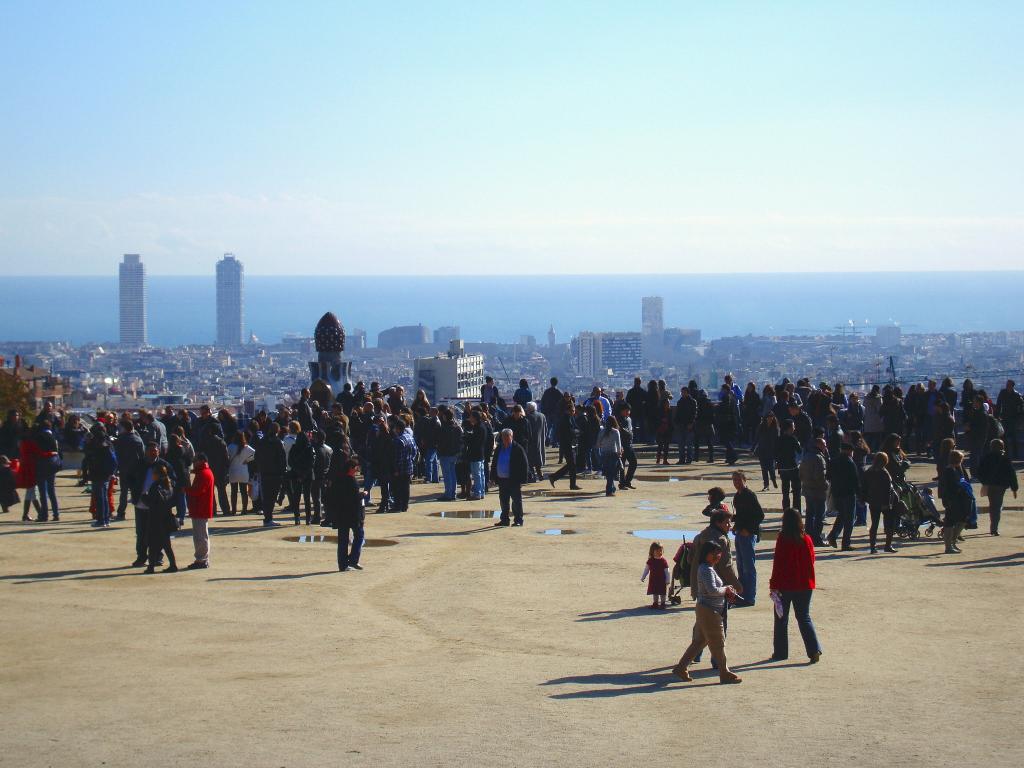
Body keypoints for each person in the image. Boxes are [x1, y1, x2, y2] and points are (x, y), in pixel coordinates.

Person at [672, 540, 742, 684]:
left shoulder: (707, 567)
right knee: (718, 643)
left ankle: (681, 667)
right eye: (714, 553)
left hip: (706, 609)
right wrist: (726, 589)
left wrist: (725, 588)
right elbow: (713, 590)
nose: (717, 555)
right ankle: (724, 672)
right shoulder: (706, 569)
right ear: (706, 554)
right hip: (710, 611)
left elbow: (713, 589)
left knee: (699, 642)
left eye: (718, 552)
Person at [768, 508, 822, 663]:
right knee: (804, 617)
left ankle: (781, 652)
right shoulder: (807, 539)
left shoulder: (782, 539)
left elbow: (778, 564)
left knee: (781, 619)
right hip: (805, 585)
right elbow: (812, 560)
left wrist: (773, 584)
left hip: (785, 585)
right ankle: (814, 650)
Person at [732, 471, 764, 606]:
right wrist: (735, 525)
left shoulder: (750, 495)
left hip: (748, 535)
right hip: (739, 534)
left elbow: (759, 515)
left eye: (738, 480)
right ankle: (742, 594)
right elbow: (740, 516)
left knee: (748, 568)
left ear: (745, 480)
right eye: (734, 480)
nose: (736, 483)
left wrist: (748, 530)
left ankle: (750, 597)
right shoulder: (736, 497)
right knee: (740, 566)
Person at [328, 457, 366, 571]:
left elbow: (332, 496)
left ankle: (343, 564)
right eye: (355, 468)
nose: (357, 470)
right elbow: (354, 498)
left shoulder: (338, 479)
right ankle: (353, 559)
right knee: (359, 536)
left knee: (343, 540)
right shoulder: (351, 480)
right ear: (351, 468)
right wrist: (363, 494)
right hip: (352, 514)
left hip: (340, 514)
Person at [977, 439, 1018, 536]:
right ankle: (994, 528)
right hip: (1001, 485)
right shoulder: (1005, 459)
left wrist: (984, 482)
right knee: (997, 506)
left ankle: (993, 526)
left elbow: (979, 472)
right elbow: (1011, 474)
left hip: (990, 485)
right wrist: (1014, 488)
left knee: (992, 505)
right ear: (1002, 447)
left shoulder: (986, 457)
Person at [142, 465, 178, 574]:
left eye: (154, 473)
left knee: (152, 544)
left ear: (158, 474)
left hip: (155, 518)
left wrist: (144, 497)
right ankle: (173, 565)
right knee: (166, 544)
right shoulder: (170, 484)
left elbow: (152, 503)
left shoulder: (156, 486)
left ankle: (151, 566)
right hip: (166, 517)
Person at [490, 428, 528, 527]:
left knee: (516, 501)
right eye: (503, 437)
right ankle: (504, 520)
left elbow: (524, 464)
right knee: (503, 501)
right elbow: (494, 463)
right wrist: (493, 476)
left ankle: (518, 520)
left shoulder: (517, 448)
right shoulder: (499, 448)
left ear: (512, 437)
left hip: (514, 480)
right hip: (502, 479)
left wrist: (523, 479)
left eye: (507, 437)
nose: (505, 439)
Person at [826, 443, 861, 551]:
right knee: (849, 519)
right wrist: (860, 494)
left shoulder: (833, 461)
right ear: (850, 451)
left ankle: (833, 535)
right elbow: (855, 480)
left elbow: (828, 476)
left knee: (841, 515)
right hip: (848, 493)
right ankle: (845, 543)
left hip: (837, 493)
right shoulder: (850, 463)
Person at [862, 452, 898, 554]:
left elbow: (864, 487)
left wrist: (865, 499)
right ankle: (888, 545)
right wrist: (888, 503)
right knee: (889, 524)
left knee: (874, 524)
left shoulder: (868, 471)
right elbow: (887, 490)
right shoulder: (884, 472)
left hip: (873, 501)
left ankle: (873, 546)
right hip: (885, 502)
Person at [938, 450, 971, 554]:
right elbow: (951, 487)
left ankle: (952, 542)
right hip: (952, 500)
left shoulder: (955, 469)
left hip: (958, 499)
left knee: (962, 520)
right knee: (950, 522)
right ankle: (949, 546)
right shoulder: (949, 470)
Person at [185, 454, 215, 569]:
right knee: (201, 535)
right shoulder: (204, 472)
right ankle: (202, 559)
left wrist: (185, 489)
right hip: (200, 508)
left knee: (200, 536)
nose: (194, 462)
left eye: (195, 461)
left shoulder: (204, 474)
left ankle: (202, 560)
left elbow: (197, 491)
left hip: (200, 508)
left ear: (201, 461)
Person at [799, 438, 829, 546]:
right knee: (819, 516)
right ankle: (816, 539)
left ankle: (808, 537)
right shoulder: (819, 458)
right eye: (824, 445)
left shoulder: (806, 456)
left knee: (810, 514)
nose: (826, 447)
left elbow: (800, 473)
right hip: (818, 491)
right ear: (819, 445)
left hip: (807, 490)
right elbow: (819, 476)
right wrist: (826, 486)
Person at [256, 422, 286, 527]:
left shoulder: (262, 441)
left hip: (264, 472)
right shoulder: (278, 442)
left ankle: (267, 518)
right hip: (275, 473)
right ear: (277, 431)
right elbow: (282, 459)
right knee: (272, 497)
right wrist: (283, 472)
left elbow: (257, 456)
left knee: (266, 496)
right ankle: (269, 519)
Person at [549, 401, 581, 490]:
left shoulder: (567, 418)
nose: (574, 412)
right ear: (568, 411)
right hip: (567, 444)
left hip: (567, 444)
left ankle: (558, 478)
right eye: (573, 410)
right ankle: (556, 478)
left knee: (571, 465)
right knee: (572, 465)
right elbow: (570, 432)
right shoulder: (566, 419)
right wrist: (577, 433)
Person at [436, 406, 463, 501]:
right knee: (452, 474)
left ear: (445, 417)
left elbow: (440, 441)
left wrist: (439, 451)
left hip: (445, 454)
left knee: (447, 475)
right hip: (454, 454)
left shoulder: (444, 428)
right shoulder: (457, 427)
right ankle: (453, 493)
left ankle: (448, 493)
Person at [391, 415, 416, 512]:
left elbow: (398, 457)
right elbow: (415, 451)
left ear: (397, 429)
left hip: (400, 468)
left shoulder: (398, 440)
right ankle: (405, 506)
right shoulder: (410, 437)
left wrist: (396, 469)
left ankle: (397, 506)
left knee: (397, 488)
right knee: (406, 488)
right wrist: (411, 460)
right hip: (409, 466)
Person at [227, 432, 255, 515]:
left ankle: (234, 510)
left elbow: (227, 456)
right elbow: (256, 453)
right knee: (243, 492)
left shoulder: (230, 446)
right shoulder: (246, 447)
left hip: (233, 471)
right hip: (243, 471)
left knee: (233, 492)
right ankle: (244, 510)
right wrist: (247, 460)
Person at [777, 420, 802, 511]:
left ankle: (786, 510)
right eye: (793, 426)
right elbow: (799, 450)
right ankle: (797, 510)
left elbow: (775, 453)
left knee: (785, 492)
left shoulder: (779, 439)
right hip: (793, 467)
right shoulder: (792, 439)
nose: (794, 428)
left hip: (783, 468)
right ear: (789, 428)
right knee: (796, 491)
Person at [995, 380, 1022, 459]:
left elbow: (1020, 406)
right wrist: (997, 416)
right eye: (1007, 385)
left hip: (1013, 418)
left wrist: (1018, 416)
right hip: (1004, 417)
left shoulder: (1016, 395)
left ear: (1012, 386)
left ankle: (1015, 454)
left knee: (1013, 437)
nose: (1007, 386)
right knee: (1004, 436)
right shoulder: (1003, 393)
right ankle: (1006, 453)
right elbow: (999, 404)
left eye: (1008, 385)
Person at [595, 417, 623, 496]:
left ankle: (612, 488)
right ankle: (609, 490)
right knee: (611, 473)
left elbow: (597, 444)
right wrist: (619, 453)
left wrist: (603, 446)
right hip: (613, 454)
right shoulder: (615, 432)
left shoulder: (602, 431)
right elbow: (618, 445)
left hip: (604, 453)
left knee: (608, 473)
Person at [641, 542, 670, 609]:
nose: (659, 552)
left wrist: (667, 580)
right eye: (657, 551)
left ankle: (663, 603)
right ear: (652, 551)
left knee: (662, 593)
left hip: (662, 580)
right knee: (655, 592)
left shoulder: (663, 561)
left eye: (660, 550)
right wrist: (643, 577)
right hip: (653, 580)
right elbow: (646, 569)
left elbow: (667, 571)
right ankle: (655, 603)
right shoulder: (650, 560)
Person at [617, 405, 638, 491]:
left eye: (629, 411)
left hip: (629, 445)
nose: (628, 412)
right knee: (622, 465)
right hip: (622, 445)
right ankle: (622, 483)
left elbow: (630, 430)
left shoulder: (629, 419)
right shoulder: (618, 419)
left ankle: (627, 481)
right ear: (622, 411)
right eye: (626, 410)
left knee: (633, 462)